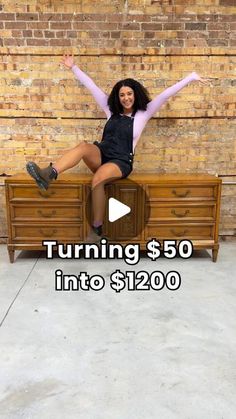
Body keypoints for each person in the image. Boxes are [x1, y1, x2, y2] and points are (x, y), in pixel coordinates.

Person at [26, 54, 210, 242]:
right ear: (118, 97)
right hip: (102, 154)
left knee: (98, 179)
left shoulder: (144, 113)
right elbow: (91, 86)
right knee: (83, 146)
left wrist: (191, 77)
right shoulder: (110, 109)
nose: (126, 98)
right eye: (122, 95)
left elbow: (165, 94)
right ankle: (48, 174)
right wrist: (73, 67)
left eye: (129, 94)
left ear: (135, 94)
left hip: (121, 161)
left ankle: (96, 229)